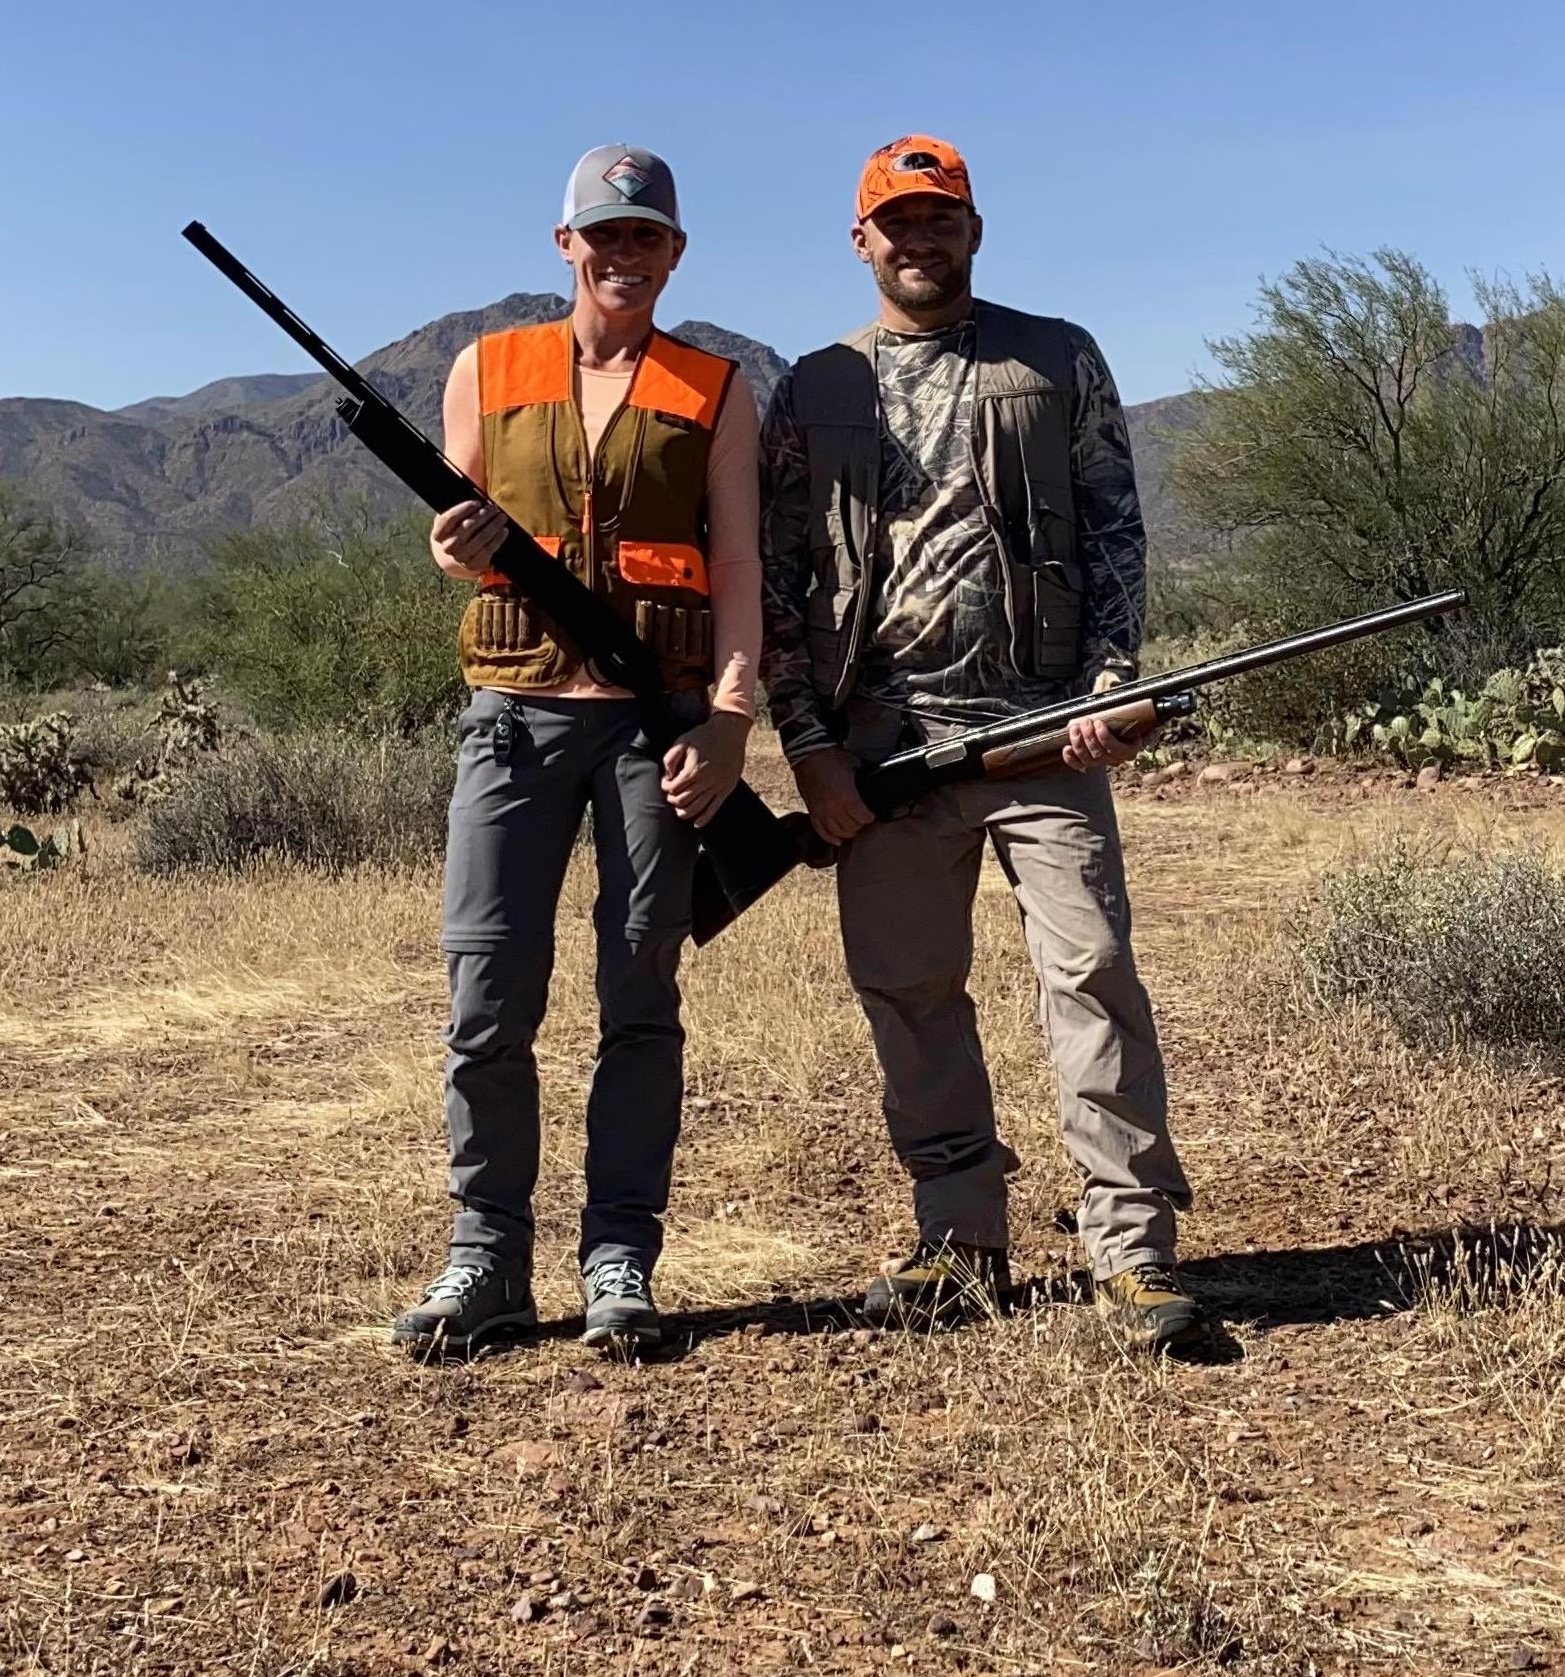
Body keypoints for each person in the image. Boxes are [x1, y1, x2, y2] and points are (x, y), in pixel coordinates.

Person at [759, 135, 1201, 1353]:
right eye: (896, 221)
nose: (919, 238)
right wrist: (811, 751)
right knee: (909, 993)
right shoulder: (812, 389)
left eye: (939, 216)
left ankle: (1131, 1254)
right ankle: (959, 1245)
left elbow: (1118, 538)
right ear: (861, 241)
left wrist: (1112, 685)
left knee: (1092, 975)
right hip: (882, 741)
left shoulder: (1056, 359)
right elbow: (784, 586)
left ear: (974, 228)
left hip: (1041, 736)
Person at [389, 145, 758, 1362]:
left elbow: (742, 565)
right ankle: (486, 1256)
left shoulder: (716, 386)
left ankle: (619, 1263)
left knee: (640, 999)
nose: (622, 253)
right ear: (564, 247)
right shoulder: (484, 371)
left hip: (660, 726)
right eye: (602, 234)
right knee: (486, 996)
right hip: (514, 713)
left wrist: (730, 716)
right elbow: (463, 539)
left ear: (675, 251)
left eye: (645, 234)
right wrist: (457, 550)